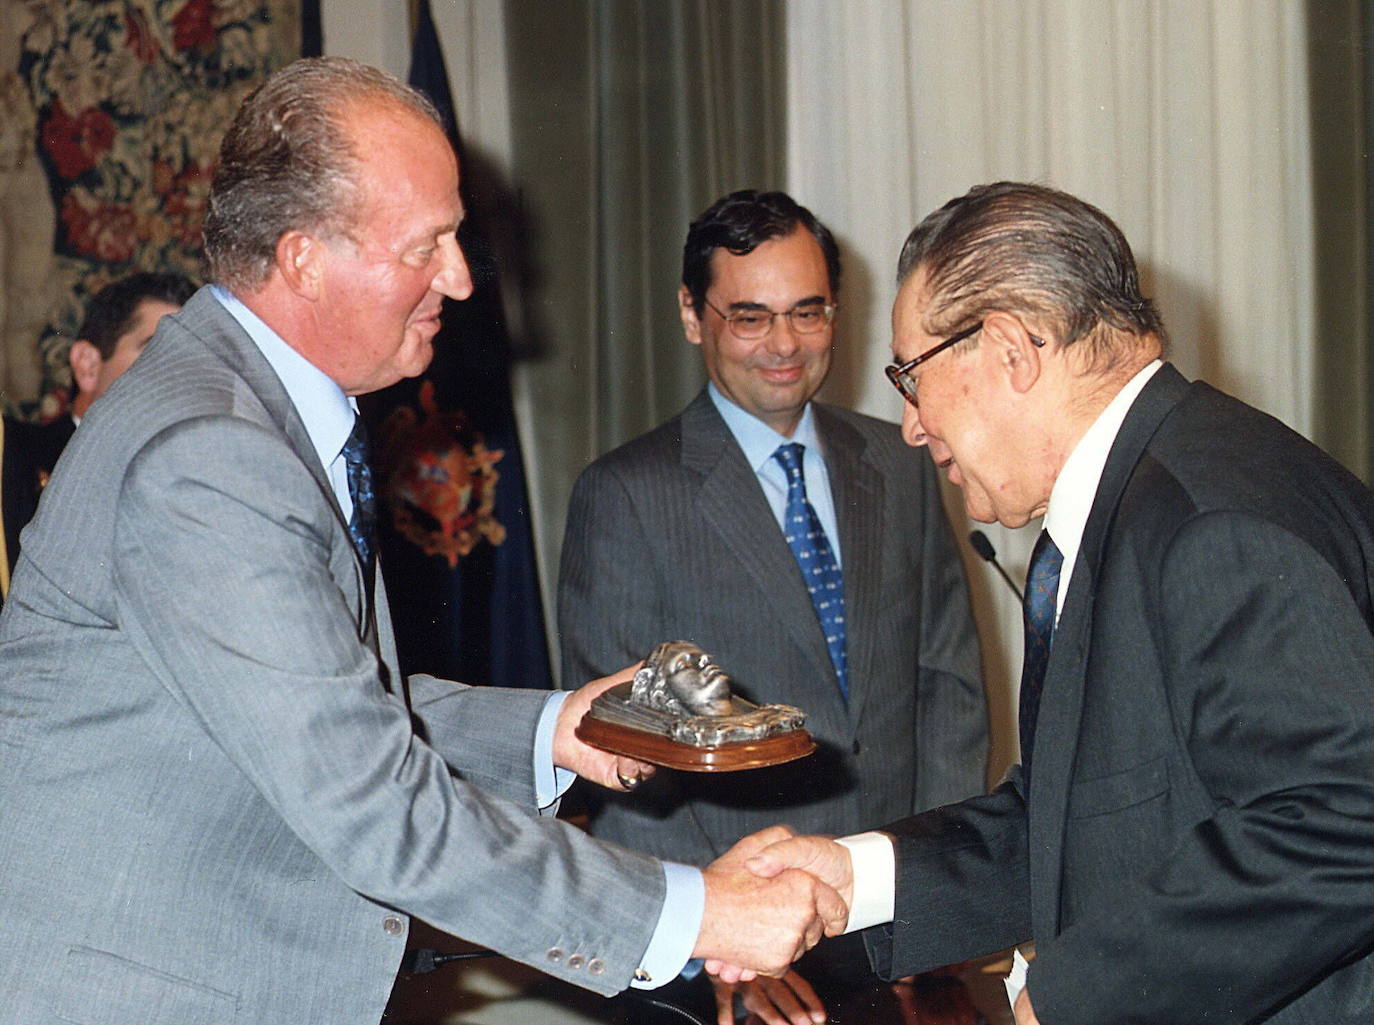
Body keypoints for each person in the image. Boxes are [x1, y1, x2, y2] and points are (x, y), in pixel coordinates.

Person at [0, 58, 847, 1025]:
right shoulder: (210, 455)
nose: (458, 276)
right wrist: (697, 913)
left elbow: (311, 706)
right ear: (303, 257)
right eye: (426, 244)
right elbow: (370, 799)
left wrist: (555, 729)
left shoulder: (238, 413)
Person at [743, 181, 1374, 1025]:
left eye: (909, 376)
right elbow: (1072, 818)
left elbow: (1342, 826)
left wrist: (1074, 999)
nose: (910, 427)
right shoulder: (1143, 496)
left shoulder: (1211, 522)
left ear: (1009, 348)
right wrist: (853, 876)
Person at [560, 189, 987, 1024]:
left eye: (808, 312)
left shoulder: (901, 465)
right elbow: (627, 763)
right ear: (693, 315)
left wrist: (932, 894)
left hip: (896, 927)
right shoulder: (627, 495)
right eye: (750, 317)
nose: (785, 346)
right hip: (734, 955)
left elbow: (949, 687)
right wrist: (716, 934)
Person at [0, 270, 194, 600]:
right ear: (88, 365)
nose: (182, 380)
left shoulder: (206, 492)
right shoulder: (11, 453)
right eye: (160, 354)